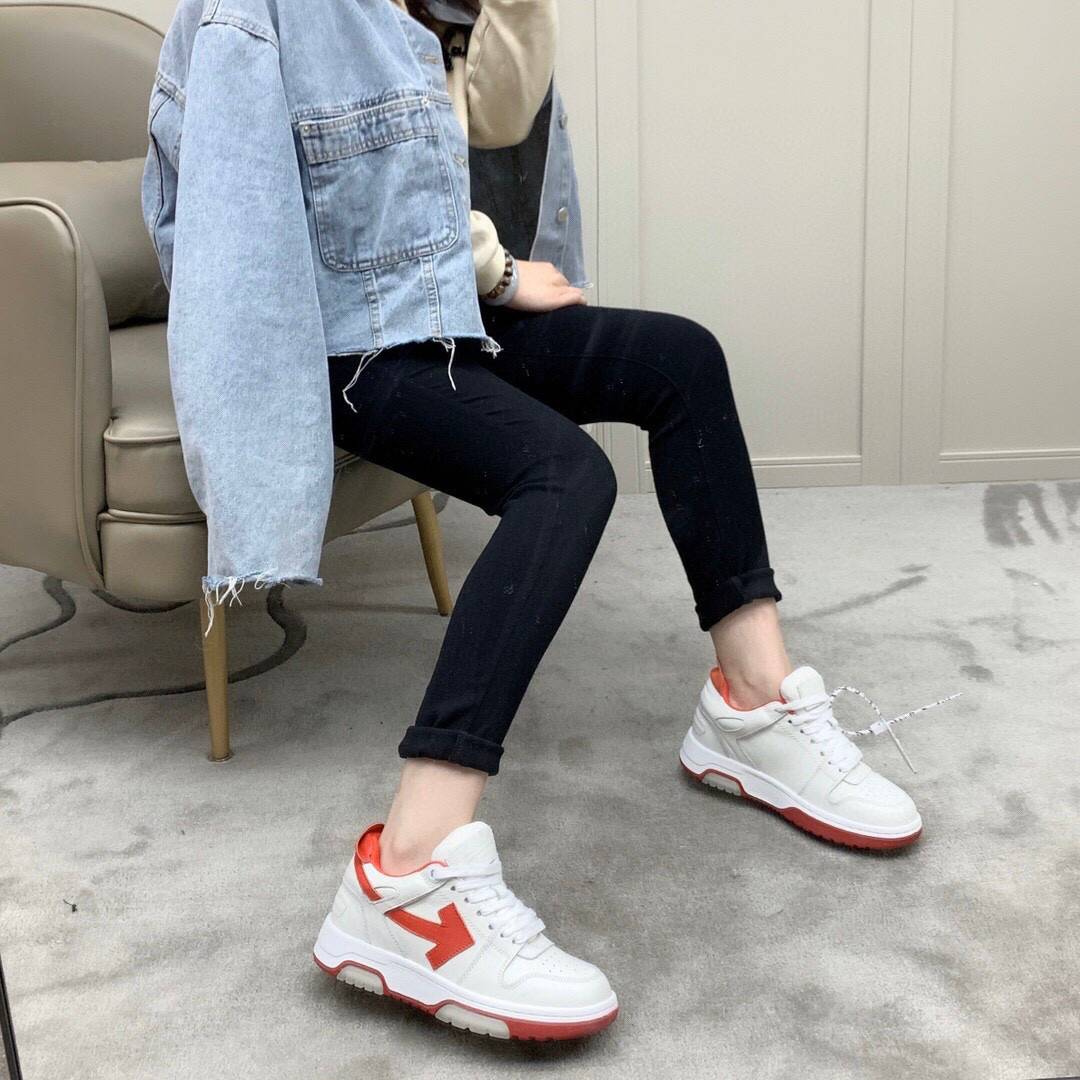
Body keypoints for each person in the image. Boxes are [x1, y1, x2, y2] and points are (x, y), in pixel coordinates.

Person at [144, 0, 923, 1044]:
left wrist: (498, 273)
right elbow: (236, 230)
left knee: (681, 359)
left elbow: (472, 141)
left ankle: (752, 707)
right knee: (566, 476)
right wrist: (257, 441)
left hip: (444, 313)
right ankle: (405, 878)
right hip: (344, 347)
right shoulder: (260, 10)